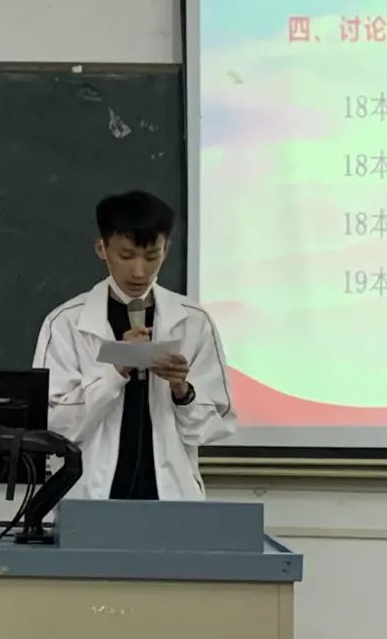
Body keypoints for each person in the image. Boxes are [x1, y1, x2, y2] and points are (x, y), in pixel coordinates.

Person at [32, 190, 236, 500]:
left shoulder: (194, 322)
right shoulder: (65, 323)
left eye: (152, 257)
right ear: (102, 249)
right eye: (126, 256)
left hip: (171, 498)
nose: (139, 271)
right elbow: (54, 426)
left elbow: (211, 428)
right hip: (90, 497)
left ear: (166, 249)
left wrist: (182, 391)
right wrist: (115, 370)